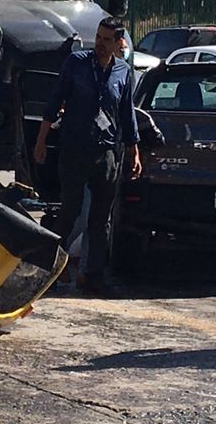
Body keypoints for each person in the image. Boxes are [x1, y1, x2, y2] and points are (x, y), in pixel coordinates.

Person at [34, 17, 141, 295]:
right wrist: (42, 140)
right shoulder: (77, 64)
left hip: (105, 153)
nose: (100, 44)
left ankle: (94, 275)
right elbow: (55, 101)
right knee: (68, 212)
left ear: (120, 43)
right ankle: (50, 272)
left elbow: (126, 115)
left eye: (107, 40)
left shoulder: (122, 72)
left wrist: (133, 151)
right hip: (75, 150)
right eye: (98, 38)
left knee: (100, 219)